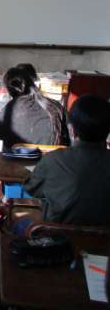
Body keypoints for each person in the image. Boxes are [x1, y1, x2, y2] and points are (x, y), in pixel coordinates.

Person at [24, 94, 110, 224]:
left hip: (57, 235)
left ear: (71, 130)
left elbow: (32, 189)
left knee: (19, 223)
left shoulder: (53, 160)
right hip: (104, 236)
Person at [0, 66, 70, 150]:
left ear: (9, 91)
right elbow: (69, 135)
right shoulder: (56, 106)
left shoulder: (11, 108)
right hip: (53, 157)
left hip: (18, 158)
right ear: (32, 83)